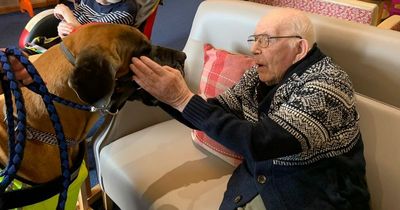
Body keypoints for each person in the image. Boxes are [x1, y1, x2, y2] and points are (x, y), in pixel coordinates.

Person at [129, 8, 371, 210]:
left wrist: (181, 98)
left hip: (317, 197)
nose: (254, 48)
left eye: (265, 40)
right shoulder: (257, 78)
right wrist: (157, 93)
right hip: (259, 185)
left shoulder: (328, 84)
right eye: (254, 40)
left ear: (299, 49)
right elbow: (212, 112)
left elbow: (262, 142)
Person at [53, 0, 137, 38]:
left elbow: (87, 37)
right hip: (70, 42)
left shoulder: (125, 12)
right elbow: (76, 15)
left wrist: (65, 13)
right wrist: (62, 25)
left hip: (91, 54)